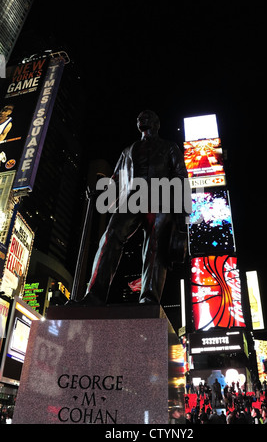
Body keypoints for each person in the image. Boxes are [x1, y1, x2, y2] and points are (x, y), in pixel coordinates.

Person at [70, 110, 190, 306]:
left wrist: (181, 215)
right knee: (111, 236)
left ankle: (149, 298)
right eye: (139, 118)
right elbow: (117, 180)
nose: (141, 119)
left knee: (155, 246)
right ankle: (94, 297)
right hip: (132, 198)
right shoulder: (128, 151)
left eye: (147, 117)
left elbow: (180, 177)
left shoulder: (169, 147)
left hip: (161, 198)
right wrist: (102, 191)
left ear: (157, 123)